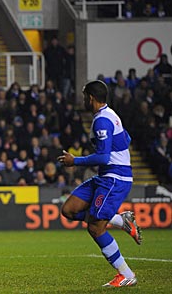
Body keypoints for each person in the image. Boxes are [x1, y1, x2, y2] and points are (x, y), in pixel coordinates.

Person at [58, 80, 142, 288]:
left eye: (85, 95)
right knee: (69, 210)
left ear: (91, 98)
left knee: (96, 228)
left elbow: (104, 158)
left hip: (115, 178)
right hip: (105, 176)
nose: (83, 99)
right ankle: (121, 221)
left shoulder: (102, 121)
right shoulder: (110, 115)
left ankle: (126, 274)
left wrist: (74, 161)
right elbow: (127, 139)